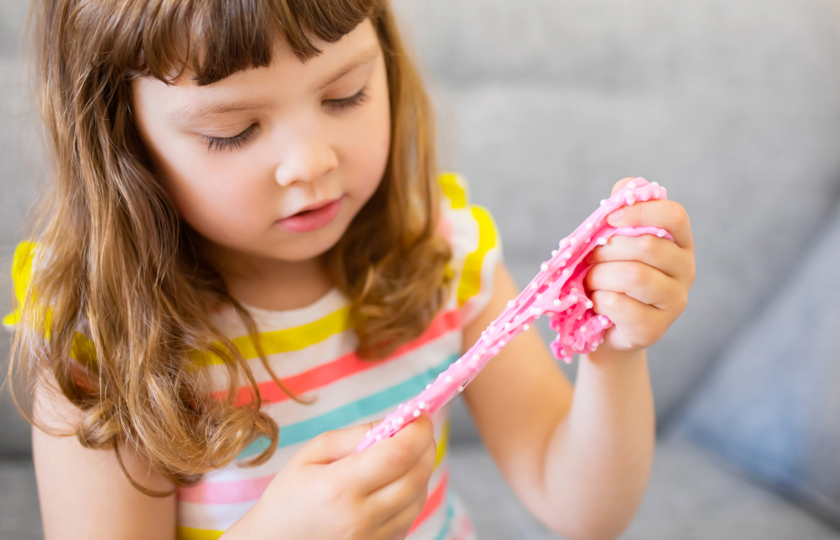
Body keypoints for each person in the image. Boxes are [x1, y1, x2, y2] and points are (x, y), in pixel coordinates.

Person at [3, 1, 696, 539]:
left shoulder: (442, 256)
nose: (311, 162)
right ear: (122, 140)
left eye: (346, 95)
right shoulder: (101, 352)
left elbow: (580, 507)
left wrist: (614, 351)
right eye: (233, 132)